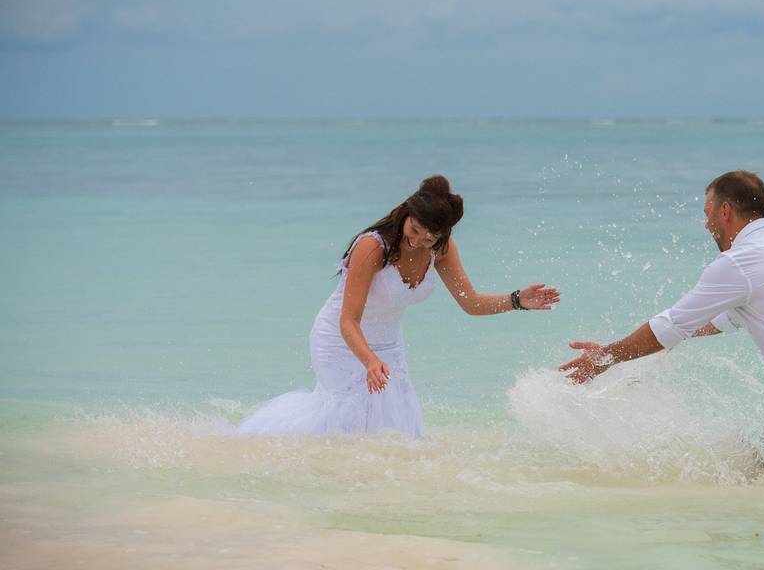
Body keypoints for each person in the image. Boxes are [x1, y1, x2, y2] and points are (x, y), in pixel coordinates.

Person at [559, 170, 764, 477]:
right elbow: (719, 320)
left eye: (707, 214)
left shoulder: (740, 262)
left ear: (725, 212)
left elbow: (670, 326)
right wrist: (671, 337)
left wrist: (606, 358)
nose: (706, 225)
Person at [236, 175, 560, 438]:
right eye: (415, 230)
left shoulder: (442, 250)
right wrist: (369, 361)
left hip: (388, 346)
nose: (418, 241)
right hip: (341, 342)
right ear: (407, 212)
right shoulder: (372, 247)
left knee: (394, 428)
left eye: (429, 237)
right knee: (347, 419)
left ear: (442, 236)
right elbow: (348, 320)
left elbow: (470, 303)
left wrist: (517, 300)